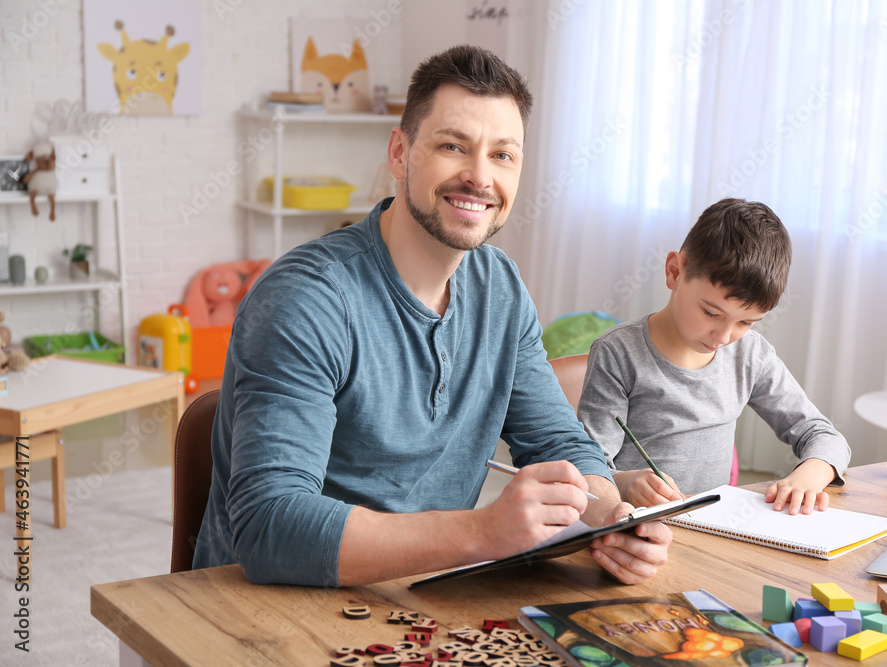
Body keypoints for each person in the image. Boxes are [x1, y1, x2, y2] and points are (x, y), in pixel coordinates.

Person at [192, 45, 671, 587]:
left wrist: (611, 517)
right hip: (260, 611)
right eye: (452, 146)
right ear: (400, 153)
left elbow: (559, 441)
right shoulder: (307, 297)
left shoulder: (501, 289)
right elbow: (270, 529)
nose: (479, 177)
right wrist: (482, 533)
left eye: (503, 155)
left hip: (425, 598)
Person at [577, 198, 851, 515]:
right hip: (635, 528)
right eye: (711, 312)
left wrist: (808, 477)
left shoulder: (750, 355)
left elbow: (825, 436)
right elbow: (588, 469)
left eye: (745, 322)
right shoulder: (619, 353)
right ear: (674, 272)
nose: (723, 337)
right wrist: (626, 483)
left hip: (713, 527)